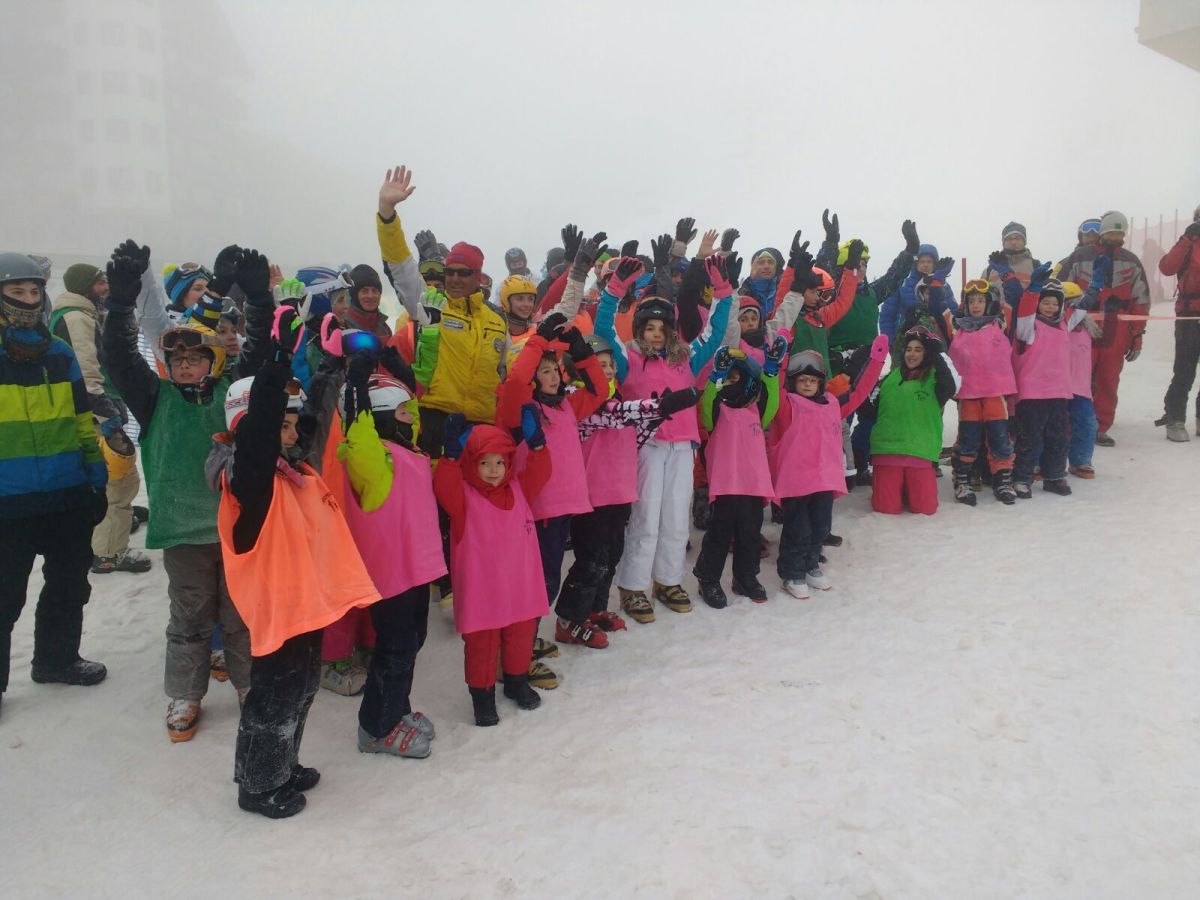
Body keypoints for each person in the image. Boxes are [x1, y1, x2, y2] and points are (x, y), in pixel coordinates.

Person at [217, 335, 380, 819]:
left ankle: (278, 765)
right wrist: (274, 369)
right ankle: (260, 786)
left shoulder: (295, 470)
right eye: (280, 427)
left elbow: (314, 419)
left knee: (301, 690)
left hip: (306, 605)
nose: (289, 435)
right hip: (279, 610)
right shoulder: (250, 484)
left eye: (290, 427)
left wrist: (332, 367)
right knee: (276, 699)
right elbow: (258, 436)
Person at [103, 240, 253, 742]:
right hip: (184, 530)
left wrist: (258, 300)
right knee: (190, 616)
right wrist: (119, 306)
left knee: (240, 616)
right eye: (178, 358)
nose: (186, 365)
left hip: (233, 527)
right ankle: (186, 693)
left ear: (215, 361)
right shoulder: (155, 399)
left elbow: (262, 359)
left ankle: (249, 684)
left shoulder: (233, 395)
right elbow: (120, 360)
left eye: (196, 357)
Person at [596, 255, 733, 623]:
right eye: (649, 327)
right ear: (640, 330)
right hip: (648, 446)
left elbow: (715, 330)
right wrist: (615, 289)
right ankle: (633, 586)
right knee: (646, 517)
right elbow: (603, 328)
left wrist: (723, 291)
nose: (656, 334)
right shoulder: (628, 359)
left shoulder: (686, 359)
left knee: (675, 518)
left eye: (662, 328)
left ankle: (668, 581)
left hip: (682, 446)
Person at [0, 252, 108, 719]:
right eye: (16, 292)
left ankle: (56, 659)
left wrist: (95, 475)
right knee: (5, 595)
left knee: (68, 584)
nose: (27, 300)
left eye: (33, 291)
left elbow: (82, 419)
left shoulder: (59, 354)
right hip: (8, 501)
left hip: (65, 493)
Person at [337, 350, 446, 758]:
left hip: (415, 571)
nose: (411, 420)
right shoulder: (373, 461)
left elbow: (413, 411)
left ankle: (395, 709)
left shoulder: (410, 453)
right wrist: (357, 381)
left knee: (412, 642)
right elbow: (357, 429)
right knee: (396, 648)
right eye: (402, 414)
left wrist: (399, 371)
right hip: (391, 576)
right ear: (381, 418)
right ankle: (376, 728)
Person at [556, 335, 700, 639]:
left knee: (610, 556)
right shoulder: (577, 399)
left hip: (619, 492)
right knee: (590, 560)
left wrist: (656, 417)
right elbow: (613, 417)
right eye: (600, 365)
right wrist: (660, 405)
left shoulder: (619, 399)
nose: (608, 370)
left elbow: (634, 436)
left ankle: (594, 609)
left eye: (610, 365)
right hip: (592, 497)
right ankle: (570, 619)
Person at [375, 165, 507, 456]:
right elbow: (402, 267)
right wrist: (387, 215)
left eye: (464, 272)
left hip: (481, 427)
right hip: (434, 420)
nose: (455, 278)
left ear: (478, 277)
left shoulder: (498, 321)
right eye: (450, 271)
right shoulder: (431, 304)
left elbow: (504, 374)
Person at [495, 315, 606, 659]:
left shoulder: (565, 406)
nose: (554, 375)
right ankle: (516, 654)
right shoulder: (519, 409)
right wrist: (538, 340)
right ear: (531, 376)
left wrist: (581, 352)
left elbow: (600, 391)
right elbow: (515, 381)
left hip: (565, 508)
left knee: (547, 581)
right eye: (544, 371)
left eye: (555, 369)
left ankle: (522, 645)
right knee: (538, 582)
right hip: (539, 511)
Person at [434, 410, 552, 727]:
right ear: (470, 463)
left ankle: (517, 681)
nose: (493, 470)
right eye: (484, 462)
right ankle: (482, 697)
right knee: (482, 648)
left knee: (520, 638)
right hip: (483, 594)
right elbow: (443, 486)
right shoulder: (463, 498)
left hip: (520, 588)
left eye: (500, 462)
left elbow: (540, 472)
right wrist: (450, 458)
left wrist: (538, 447)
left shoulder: (519, 489)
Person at [50, 262, 151, 573]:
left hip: (87, 410)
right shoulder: (77, 318)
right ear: (84, 287)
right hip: (93, 412)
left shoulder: (79, 314)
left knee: (108, 480)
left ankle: (110, 526)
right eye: (100, 283)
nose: (106, 287)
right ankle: (108, 552)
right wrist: (106, 413)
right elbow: (85, 370)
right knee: (118, 480)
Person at [770, 336, 889, 598]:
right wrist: (781, 357)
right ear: (793, 382)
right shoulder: (787, 406)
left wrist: (876, 361)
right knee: (798, 528)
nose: (807, 384)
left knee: (820, 527)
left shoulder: (832, 405)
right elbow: (774, 386)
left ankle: (811, 564)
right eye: (802, 380)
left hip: (824, 479)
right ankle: (792, 572)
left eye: (813, 380)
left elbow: (859, 392)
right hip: (796, 482)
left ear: (821, 382)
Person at [693, 342, 784, 608]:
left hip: (753, 485)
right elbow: (706, 405)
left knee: (750, 533)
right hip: (726, 486)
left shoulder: (757, 411)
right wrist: (715, 378)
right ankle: (708, 578)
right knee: (719, 535)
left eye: (736, 379)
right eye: (728, 379)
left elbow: (772, 401)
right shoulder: (717, 411)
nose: (730, 384)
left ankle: (745, 577)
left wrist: (771, 371)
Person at [1059, 211, 1150, 446]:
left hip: (1115, 329)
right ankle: (1068, 424)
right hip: (1081, 327)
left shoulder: (1131, 261)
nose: (1115, 236)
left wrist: (1137, 334)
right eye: (1110, 232)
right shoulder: (1080, 257)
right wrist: (1073, 315)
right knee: (1076, 377)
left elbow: (1140, 300)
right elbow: (1060, 291)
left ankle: (1100, 426)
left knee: (1108, 379)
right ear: (1102, 232)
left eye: (1119, 232)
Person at [868, 326, 958, 514]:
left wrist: (938, 353)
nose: (912, 354)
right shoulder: (889, 378)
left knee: (925, 508)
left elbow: (951, 387)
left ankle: (906, 488)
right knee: (886, 508)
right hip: (887, 452)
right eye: (908, 349)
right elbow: (869, 410)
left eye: (918, 350)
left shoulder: (935, 379)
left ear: (927, 353)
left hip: (920, 453)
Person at [944, 279, 1018, 506]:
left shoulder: (1000, 323)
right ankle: (963, 480)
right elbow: (940, 306)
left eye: (980, 301)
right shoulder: (957, 327)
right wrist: (938, 283)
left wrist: (1007, 276)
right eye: (971, 301)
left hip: (995, 392)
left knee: (1000, 438)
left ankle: (1002, 480)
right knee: (968, 438)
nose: (976, 305)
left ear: (989, 303)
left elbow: (1015, 299)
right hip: (968, 394)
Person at [1009, 268, 1078, 498]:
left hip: (1059, 392)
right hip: (1032, 393)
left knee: (1059, 436)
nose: (1050, 307)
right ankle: (1022, 477)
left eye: (1055, 303)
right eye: (1045, 302)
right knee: (1029, 437)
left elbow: (1082, 307)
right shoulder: (1029, 328)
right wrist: (1033, 291)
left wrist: (1096, 285)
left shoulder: (1063, 325)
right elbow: (1025, 313)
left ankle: (1054, 476)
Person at [1157, 205, 1200, 442]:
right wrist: (1186, 239)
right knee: (1184, 369)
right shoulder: (1190, 243)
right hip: (1190, 315)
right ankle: (1175, 417)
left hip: (1191, 312)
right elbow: (1166, 268)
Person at [1063, 279, 1103, 477]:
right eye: (1068, 303)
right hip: (1058, 387)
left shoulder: (1088, 326)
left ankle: (1080, 461)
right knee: (1052, 427)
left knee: (1087, 424)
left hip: (1081, 387)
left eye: (1076, 302)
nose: (1073, 307)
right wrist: (1094, 288)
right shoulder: (1060, 325)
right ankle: (1042, 462)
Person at [982, 222, 1040, 289]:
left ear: (1024, 241)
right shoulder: (989, 270)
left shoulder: (1036, 266)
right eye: (1009, 239)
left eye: (1017, 238)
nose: (1013, 242)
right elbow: (980, 294)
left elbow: (1045, 293)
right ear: (1003, 243)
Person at [343, 264, 392, 339]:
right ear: (355, 295)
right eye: (364, 291)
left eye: (374, 291)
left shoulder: (384, 327)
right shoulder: (344, 327)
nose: (370, 296)